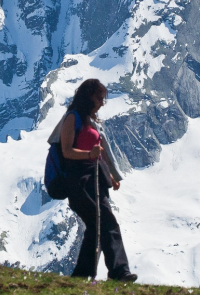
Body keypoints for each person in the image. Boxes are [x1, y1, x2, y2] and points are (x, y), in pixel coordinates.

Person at [54, 79, 136, 282]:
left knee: (96, 225)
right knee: (106, 222)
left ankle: (82, 274)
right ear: (87, 96)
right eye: (99, 97)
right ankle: (118, 271)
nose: (102, 102)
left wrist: (110, 175)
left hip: (96, 178)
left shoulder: (89, 121)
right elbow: (66, 151)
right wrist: (89, 155)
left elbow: (98, 154)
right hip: (80, 180)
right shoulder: (72, 118)